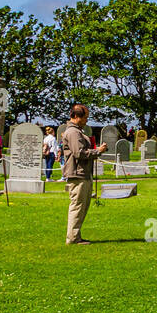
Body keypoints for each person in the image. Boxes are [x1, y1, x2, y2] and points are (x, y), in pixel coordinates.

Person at [63, 104, 105, 245]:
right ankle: (73, 238)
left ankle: (76, 236)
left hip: (83, 173)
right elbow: (79, 153)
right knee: (77, 206)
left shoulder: (78, 131)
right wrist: (98, 151)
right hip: (78, 174)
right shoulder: (73, 132)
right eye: (84, 117)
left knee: (82, 207)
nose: (86, 120)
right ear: (75, 116)